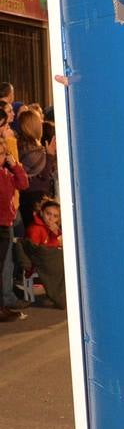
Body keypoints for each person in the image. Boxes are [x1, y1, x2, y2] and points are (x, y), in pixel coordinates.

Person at [14, 197, 66, 310]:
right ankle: (59, 297)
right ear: (42, 213)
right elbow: (36, 251)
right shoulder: (35, 228)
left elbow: (56, 243)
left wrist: (56, 233)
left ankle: (60, 294)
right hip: (41, 260)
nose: (51, 218)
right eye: (48, 214)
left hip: (50, 257)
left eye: (55, 216)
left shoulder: (53, 228)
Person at [0, 129, 29, 322]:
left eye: (3, 153)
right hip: (1, 223)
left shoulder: (5, 173)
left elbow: (23, 184)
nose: (2, 157)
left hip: (5, 224)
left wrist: (15, 165)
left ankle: (2, 306)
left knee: (3, 265)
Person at [17, 109, 57, 227]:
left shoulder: (25, 145)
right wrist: (49, 155)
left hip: (29, 195)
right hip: (34, 196)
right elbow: (44, 175)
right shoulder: (30, 150)